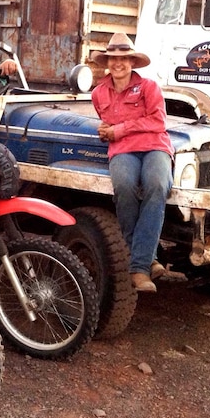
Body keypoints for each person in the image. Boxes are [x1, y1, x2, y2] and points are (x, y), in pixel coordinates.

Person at [91, 32, 173, 293]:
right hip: (122, 150)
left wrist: (120, 129)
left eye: (124, 58)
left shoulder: (149, 87)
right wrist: (106, 132)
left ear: (132, 62)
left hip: (155, 147)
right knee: (124, 187)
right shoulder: (99, 93)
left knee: (157, 186)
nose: (118, 64)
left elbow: (158, 122)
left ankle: (139, 268)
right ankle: (149, 260)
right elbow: (107, 126)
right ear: (107, 62)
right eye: (113, 59)